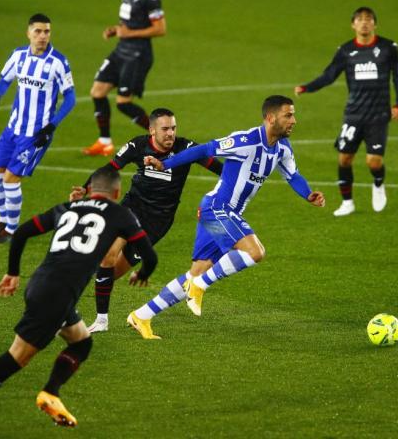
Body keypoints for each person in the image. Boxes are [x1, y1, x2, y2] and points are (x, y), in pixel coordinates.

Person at [0, 167, 157, 432]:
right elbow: (150, 256)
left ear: (90, 190)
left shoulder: (69, 207)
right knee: (16, 357)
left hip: (41, 284)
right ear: (117, 192)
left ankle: (51, 392)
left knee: (81, 343)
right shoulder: (120, 214)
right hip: (57, 294)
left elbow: (20, 233)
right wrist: (143, 274)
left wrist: (13, 273)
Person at [126, 95, 325, 339]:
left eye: (293, 115)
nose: (294, 120)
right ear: (271, 118)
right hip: (217, 209)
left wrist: (308, 194)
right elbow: (206, 149)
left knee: (195, 273)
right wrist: (166, 164)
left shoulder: (282, 148)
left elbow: (293, 175)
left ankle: (141, 315)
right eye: (288, 115)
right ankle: (199, 287)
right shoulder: (245, 141)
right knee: (255, 252)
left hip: (223, 214)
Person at [71, 108, 223, 333]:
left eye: (173, 128)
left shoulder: (186, 148)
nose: (170, 133)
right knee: (107, 258)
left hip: (157, 222)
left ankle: (91, 309)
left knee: (111, 274)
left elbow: (220, 169)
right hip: (132, 208)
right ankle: (100, 320)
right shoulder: (138, 146)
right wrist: (85, 188)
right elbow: (110, 168)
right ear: (152, 130)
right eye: (165, 129)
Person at [294, 6, 398, 216]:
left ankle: (379, 184)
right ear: (353, 24)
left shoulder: (389, 48)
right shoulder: (346, 51)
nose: (364, 22)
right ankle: (347, 202)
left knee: (373, 162)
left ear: (375, 24)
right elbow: (329, 75)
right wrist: (307, 87)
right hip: (353, 114)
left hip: (378, 115)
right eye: (360, 19)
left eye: (369, 19)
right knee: (344, 158)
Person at [0, 13, 76, 244]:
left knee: (10, 179)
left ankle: (11, 231)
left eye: (47, 31)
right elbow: (5, 79)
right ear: (29, 33)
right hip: (13, 128)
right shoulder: (18, 56)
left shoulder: (58, 62)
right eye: (38, 31)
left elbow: (71, 98)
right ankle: (3, 219)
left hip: (35, 134)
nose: (43, 36)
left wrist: (51, 125)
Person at [83, 0, 167, 156]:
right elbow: (134, 22)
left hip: (137, 55)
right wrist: (116, 30)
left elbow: (160, 29)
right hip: (121, 50)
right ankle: (104, 142)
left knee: (123, 103)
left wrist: (129, 33)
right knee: (97, 92)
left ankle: (165, 138)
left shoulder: (151, 1)